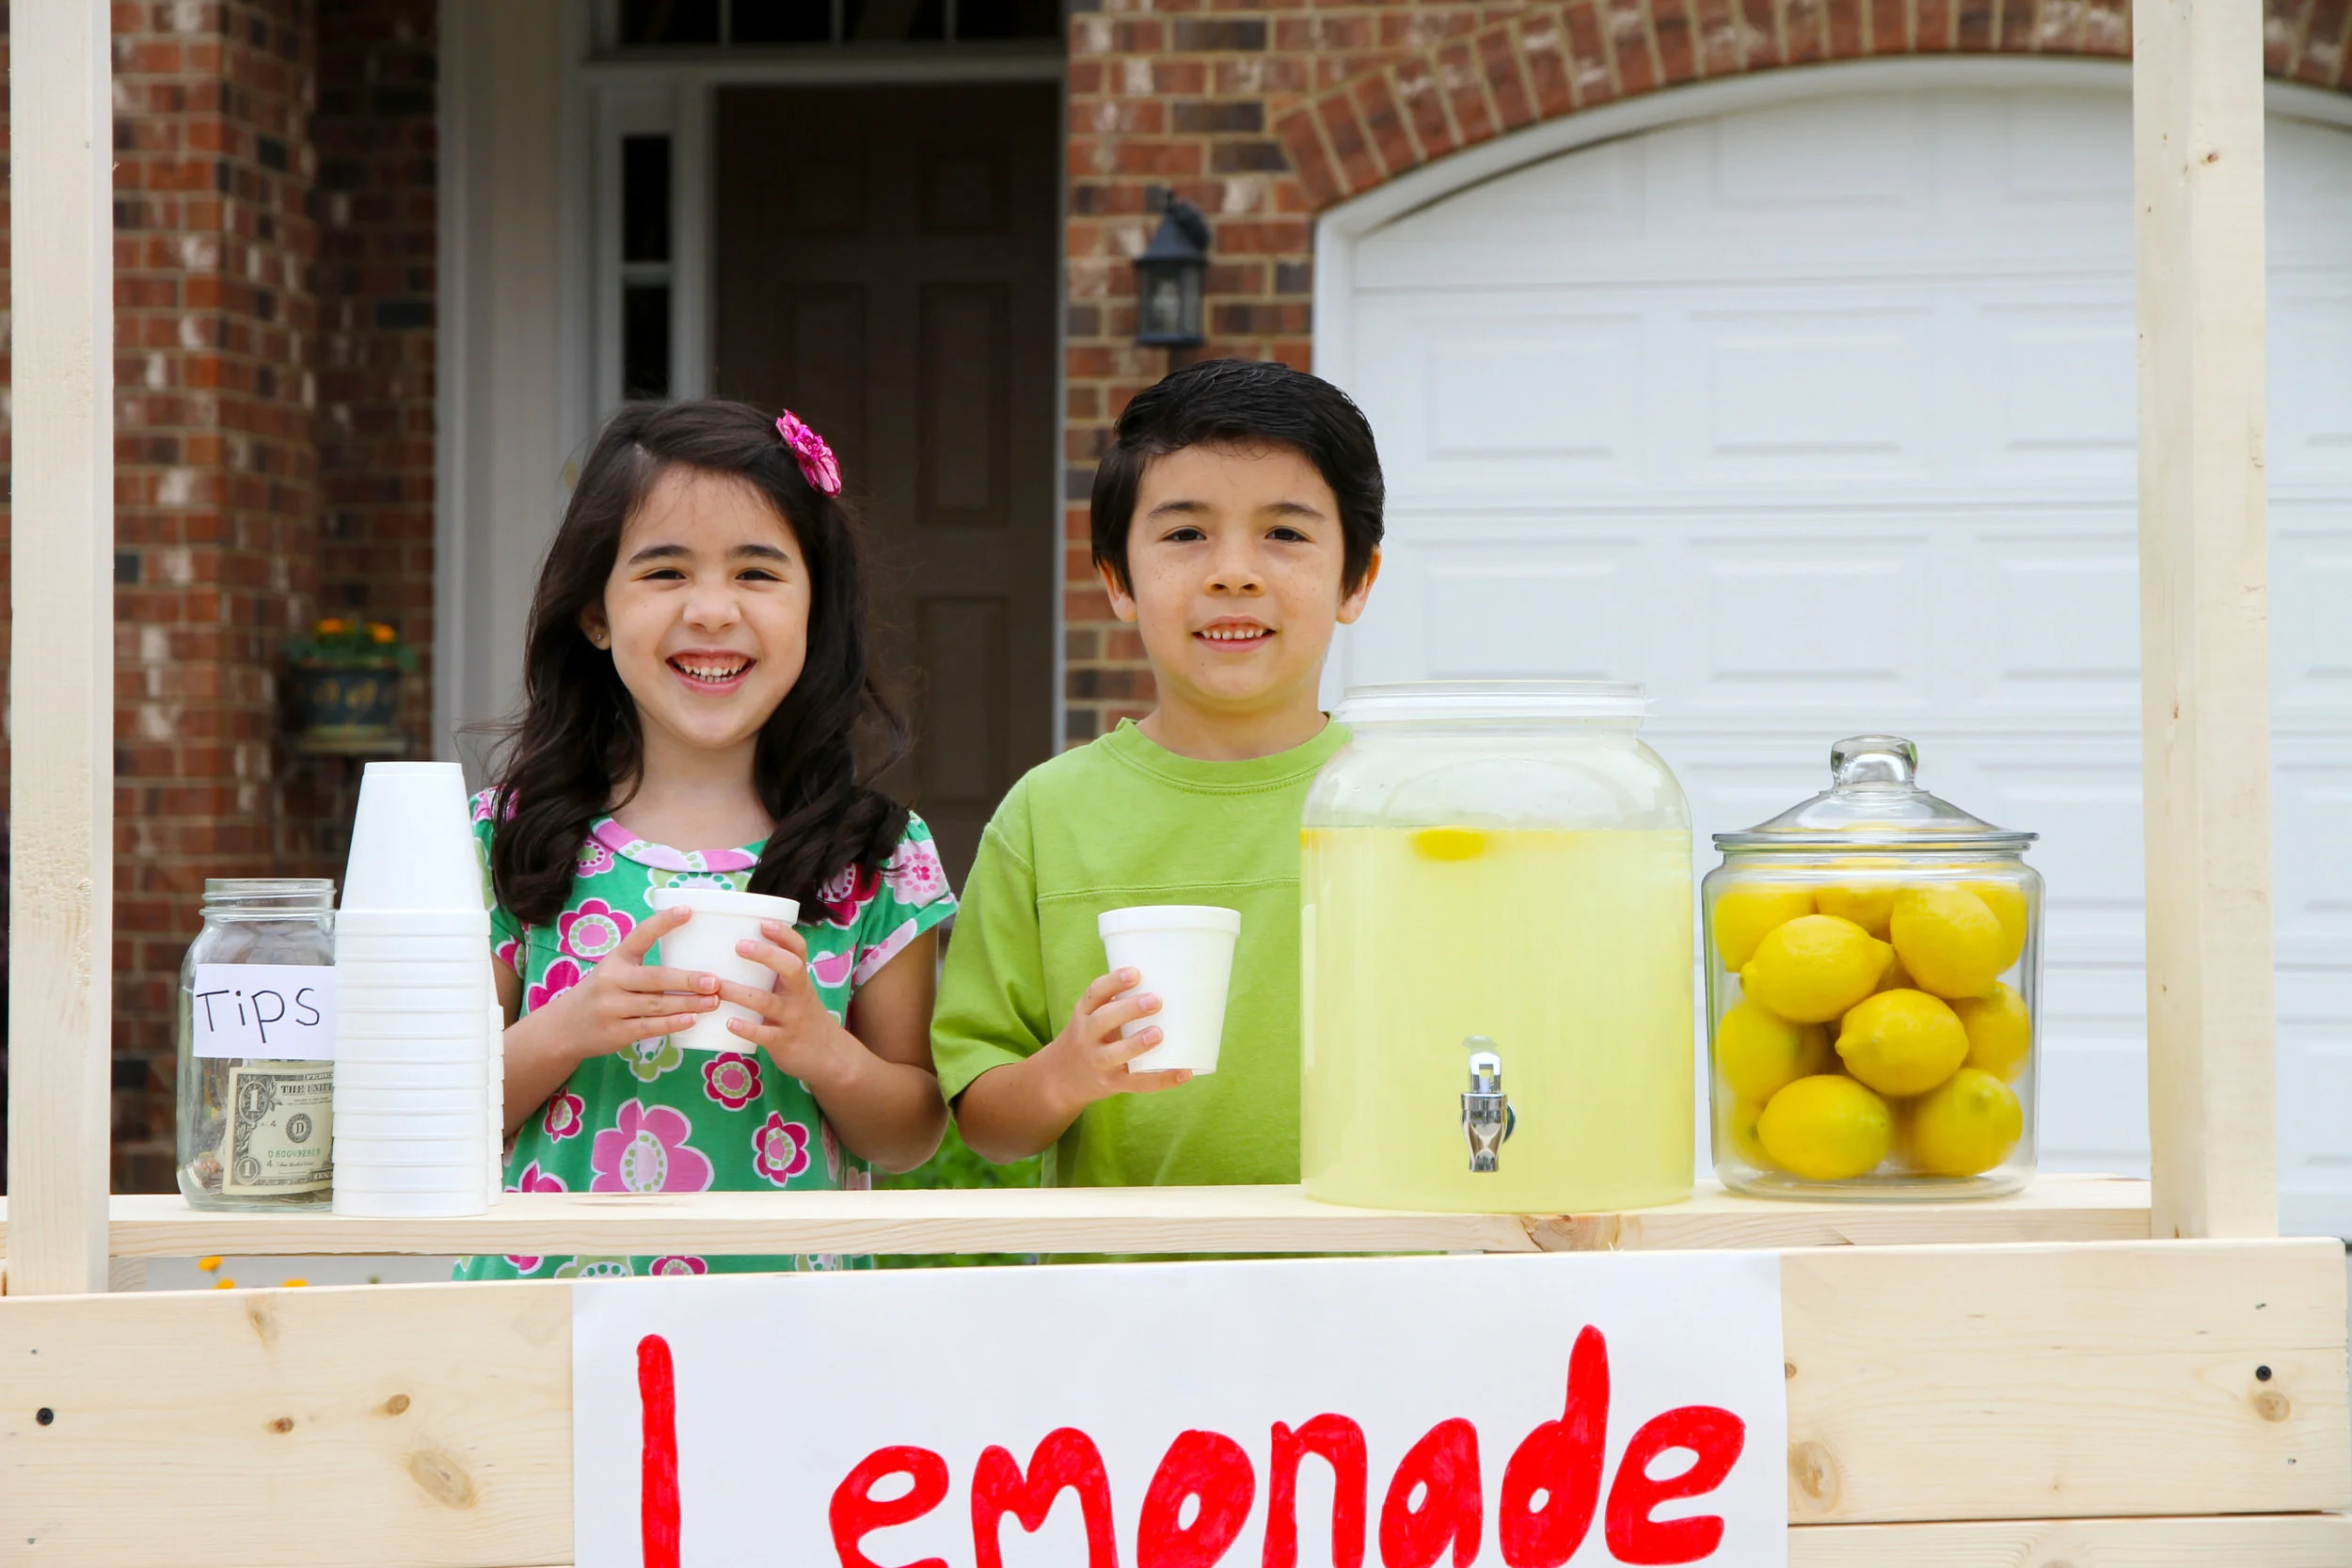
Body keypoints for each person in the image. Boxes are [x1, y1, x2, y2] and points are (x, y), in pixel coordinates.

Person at [456, 402, 955, 1280]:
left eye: (758, 572)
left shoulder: (875, 854)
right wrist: (570, 1027)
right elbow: (434, 1114)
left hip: (787, 1346)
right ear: (595, 613)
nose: (713, 610)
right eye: (664, 571)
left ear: (816, 607)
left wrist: (821, 1049)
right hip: (541, 1334)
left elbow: (911, 1132)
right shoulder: (510, 834)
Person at [932, 358, 1383, 1186]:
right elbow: (984, 1116)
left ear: (1356, 578)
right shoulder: (1049, 815)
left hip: (1380, 1278)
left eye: (1285, 533)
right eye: (1185, 534)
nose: (1234, 571)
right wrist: (1067, 1071)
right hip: (1127, 1289)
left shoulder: (1400, 806)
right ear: (1118, 580)